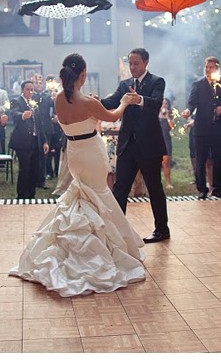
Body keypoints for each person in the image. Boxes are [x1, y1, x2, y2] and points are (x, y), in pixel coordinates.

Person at [9, 53, 145, 297]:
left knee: (82, 194)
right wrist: (125, 101)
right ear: (82, 74)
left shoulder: (59, 98)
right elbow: (113, 116)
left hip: (73, 153)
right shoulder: (89, 102)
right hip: (92, 153)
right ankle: (104, 248)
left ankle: (74, 242)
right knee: (99, 194)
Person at [101, 48, 170, 244]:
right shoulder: (124, 85)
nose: (132, 67)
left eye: (136, 63)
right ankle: (116, 231)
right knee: (120, 189)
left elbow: (156, 103)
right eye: (130, 63)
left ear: (146, 62)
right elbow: (112, 102)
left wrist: (138, 99)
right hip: (127, 146)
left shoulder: (157, 81)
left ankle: (162, 229)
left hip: (149, 145)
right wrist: (94, 101)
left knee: (154, 188)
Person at [181, 56, 221, 200]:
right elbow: (192, 103)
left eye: (211, 67)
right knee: (201, 159)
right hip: (201, 128)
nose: (208, 70)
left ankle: (217, 188)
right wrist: (188, 111)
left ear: (217, 69)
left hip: (218, 127)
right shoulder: (198, 84)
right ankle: (202, 189)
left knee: (217, 159)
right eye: (206, 67)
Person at [8, 80, 49, 199]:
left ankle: (31, 194)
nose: (30, 92)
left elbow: (39, 123)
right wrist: (22, 115)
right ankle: (21, 195)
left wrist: (44, 141)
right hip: (23, 141)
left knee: (34, 168)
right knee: (24, 169)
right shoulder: (17, 101)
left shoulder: (34, 103)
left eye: (32, 89)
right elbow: (14, 113)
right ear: (22, 90)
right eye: (28, 89)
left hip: (36, 141)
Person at [31, 73, 54, 189]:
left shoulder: (47, 97)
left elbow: (53, 107)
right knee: (35, 155)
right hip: (36, 129)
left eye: (40, 83)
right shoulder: (31, 97)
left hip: (46, 128)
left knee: (45, 155)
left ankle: (43, 178)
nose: (39, 85)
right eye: (36, 83)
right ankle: (34, 179)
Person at [159, 97, 174, 190]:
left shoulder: (171, 115)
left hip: (166, 140)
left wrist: (167, 117)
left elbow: (172, 126)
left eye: (166, 104)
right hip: (156, 140)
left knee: (166, 161)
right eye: (163, 103)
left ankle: (168, 182)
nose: (164, 105)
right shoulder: (155, 113)